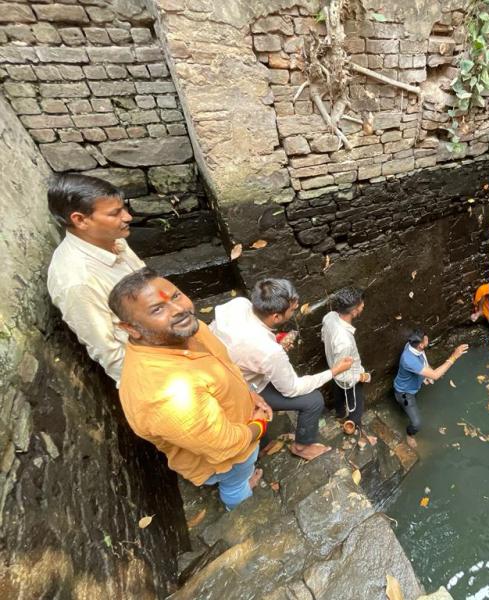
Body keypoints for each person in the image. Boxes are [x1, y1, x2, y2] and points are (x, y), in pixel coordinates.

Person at [109, 268, 272, 511]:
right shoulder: (165, 395)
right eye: (157, 309)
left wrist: (248, 394)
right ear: (131, 328)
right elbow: (225, 445)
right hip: (228, 459)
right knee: (235, 484)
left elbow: (223, 368)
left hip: (240, 428)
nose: (178, 309)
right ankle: (239, 506)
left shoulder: (188, 331)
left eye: (175, 296)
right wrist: (259, 425)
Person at [210, 277, 355, 461]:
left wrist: (274, 339)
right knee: (314, 400)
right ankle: (301, 447)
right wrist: (334, 371)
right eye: (293, 310)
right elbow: (292, 388)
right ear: (276, 316)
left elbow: (240, 343)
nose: (295, 312)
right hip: (241, 386)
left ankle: (261, 445)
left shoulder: (239, 304)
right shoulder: (269, 352)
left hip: (220, 368)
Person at [46, 173, 144, 382]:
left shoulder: (111, 239)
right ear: (80, 220)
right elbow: (111, 355)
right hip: (149, 362)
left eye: (124, 208)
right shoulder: (77, 282)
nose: (127, 217)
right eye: (115, 213)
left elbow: (144, 280)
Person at [393, 330, 469, 447]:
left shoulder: (412, 346)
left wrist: (425, 376)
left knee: (412, 404)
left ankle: (406, 407)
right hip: (404, 393)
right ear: (421, 345)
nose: (428, 339)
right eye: (425, 339)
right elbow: (435, 375)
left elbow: (423, 363)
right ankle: (409, 434)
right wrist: (454, 356)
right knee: (417, 423)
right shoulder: (409, 359)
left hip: (413, 386)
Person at [321, 287, 376, 445]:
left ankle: (339, 414)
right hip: (348, 376)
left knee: (337, 390)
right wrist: (361, 376)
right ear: (353, 310)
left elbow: (324, 337)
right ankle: (355, 429)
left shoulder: (329, 317)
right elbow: (342, 374)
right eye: (361, 304)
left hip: (333, 366)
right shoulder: (344, 341)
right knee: (357, 406)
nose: (363, 306)